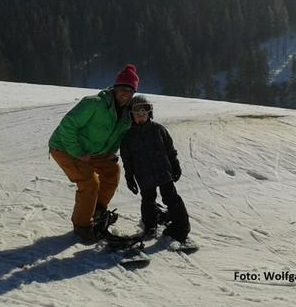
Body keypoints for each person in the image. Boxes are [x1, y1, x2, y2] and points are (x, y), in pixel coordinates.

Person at [49, 64, 138, 241]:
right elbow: (68, 125)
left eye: (130, 91)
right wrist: (78, 152)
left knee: (112, 172)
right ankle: (82, 225)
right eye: (122, 89)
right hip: (65, 148)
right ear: (115, 88)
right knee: (89, 182)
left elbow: (117, 136)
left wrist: (111, 152)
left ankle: (97, 211)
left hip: (93, 151)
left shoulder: (127, 114)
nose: (125, 94)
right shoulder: (94, 104)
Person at [120, 95, 191, 243]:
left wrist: (175, 165)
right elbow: (127, 160)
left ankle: (181, 228)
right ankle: (150, 225)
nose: (141, 117)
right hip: (143, 175)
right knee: (148, 200)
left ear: (149, 114)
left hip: (163, 172)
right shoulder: (128, 137)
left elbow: (170, 150)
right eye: (137, 114)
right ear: (131, 116)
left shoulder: (158, 129)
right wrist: (129, 178)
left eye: (144, 114)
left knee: (171, 198)